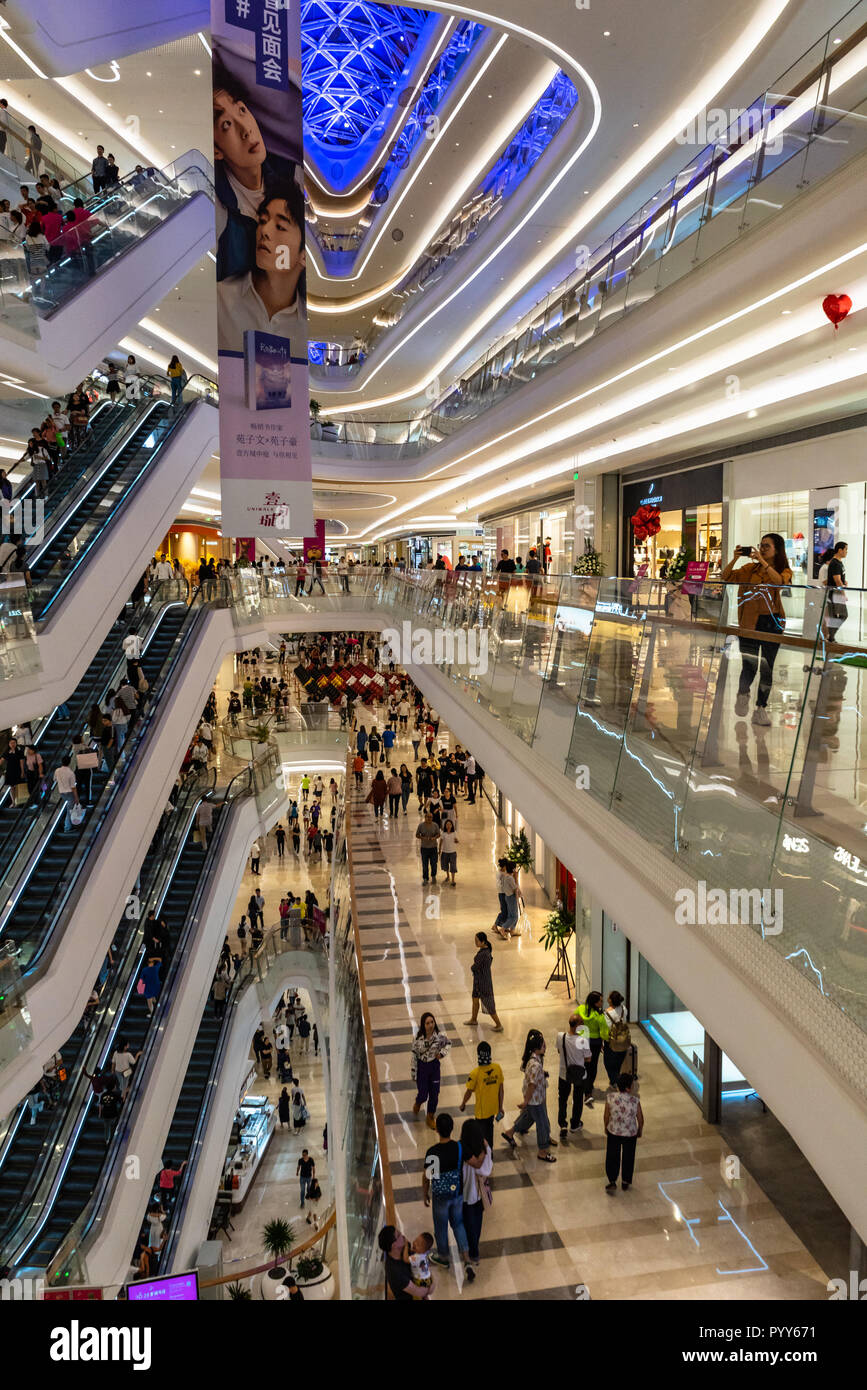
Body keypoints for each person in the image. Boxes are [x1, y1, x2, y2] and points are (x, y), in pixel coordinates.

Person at [218, 185, 307, 352]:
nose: (265, 231)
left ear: (304, 255)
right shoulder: (222, 298)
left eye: (280, 226)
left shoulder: (303, 325)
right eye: (263, 221)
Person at [720, 533, 792, 727]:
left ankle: (761, 708)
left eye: (767, 546)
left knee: (767, 667)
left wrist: (763, 562)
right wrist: (735, 558)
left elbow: (778, 582)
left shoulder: (783, 569)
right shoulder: (749, 568)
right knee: (749, 664)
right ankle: (743, 694)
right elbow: (725, 576)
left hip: (772, 621)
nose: (762, 549)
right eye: (760, 545)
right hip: (749, 621)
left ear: (777, 549)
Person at [423, 1113, 475, 1280]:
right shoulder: (459, 1148)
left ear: (437, 1130)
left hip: (440, 1197)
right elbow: (475, 1162)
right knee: (458, 1224)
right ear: (452, 1128)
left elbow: (427, 1177)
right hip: (457, 1194)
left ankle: (444, 1257)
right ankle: (466, 1259)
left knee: (441, 1227)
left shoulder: (433, 1152)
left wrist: (425, 1193)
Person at [501, 1029, 556, 1161]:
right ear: (537, 1047)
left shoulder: (534, 1058)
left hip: (536, 1097)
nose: (545, 1046)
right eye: (543, 1044)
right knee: (541, 1123)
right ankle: (542, 1151)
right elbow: (532, 1084)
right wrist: (526, 1101)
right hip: (535, 1099)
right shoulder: (535, 1064)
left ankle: (510, 1132)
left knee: (529, 1117)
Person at [460, 1118, 493, 1270]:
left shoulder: (462, 1149)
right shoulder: (484, 1150)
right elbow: (485, 1170)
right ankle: (475, 1251)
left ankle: (471, 1251)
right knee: (477, 1224)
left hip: (465, 1195)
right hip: (479, 1194)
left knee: (468, 1224)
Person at [604, 1072, 644, 1193]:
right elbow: (641, 1119)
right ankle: (626, 1180)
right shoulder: (635, 1100)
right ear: (629, 1087)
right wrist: (640, 1130)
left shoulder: (610, 1098)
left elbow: (606, 1115)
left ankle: (612, 1180)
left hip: (614, 1132)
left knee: (612, 1156)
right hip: (630, 1134)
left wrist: (606, 1127)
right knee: (628, 1156)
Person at [460, 1040, 504, 1150]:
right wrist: (500, 1107)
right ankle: (490, 1154)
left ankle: (483, 1156)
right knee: (489, 1132)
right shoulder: (497, 1068)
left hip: (481, 1112)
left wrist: (463, 1103)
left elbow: (469, 1091)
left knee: (480, 1136)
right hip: (492, 1109)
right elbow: (501, 1089)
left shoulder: (475, 1073)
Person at [411, 1012, 450, 1129]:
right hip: (422, 1068)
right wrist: (413, 1073)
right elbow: (414, 1056)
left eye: (432, 1022)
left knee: (434, 1094)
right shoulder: (417, 1039)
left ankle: (430, 1116)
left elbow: (448, 1043)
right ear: (423, 1025)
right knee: (423, 1094)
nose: (430, 1025)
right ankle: (418, 1102)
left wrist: (442, 1053)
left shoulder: (439, 1036)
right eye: (427, 1023)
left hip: (434, 1067)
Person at [555, 1012, 592, 1137]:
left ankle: (563, 1124)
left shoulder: (560, 1036)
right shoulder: (583, 1040)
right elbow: (588, 1059)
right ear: (578, 1026)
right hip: (579, 1075)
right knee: (577, 1100)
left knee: (563, 1099)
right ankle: (575, 1124)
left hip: (564, 1074)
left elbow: (559, 1051)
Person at [378, 1226, 431, 1301]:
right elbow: (419, 1292)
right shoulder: (394, 1271)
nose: (402, 1235)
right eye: (399, 1235)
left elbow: (421, 1263)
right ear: (394, 1245)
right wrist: (431, 1285)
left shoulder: (405, 1247)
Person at [464, 930, 503, 1030]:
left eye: (477, 941)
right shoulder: (486, 950)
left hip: (483, 983)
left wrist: (472, 967)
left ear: (483, 942)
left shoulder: (484, 954)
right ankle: (473, 1019)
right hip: (479, 981)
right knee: (475, 999)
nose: (475, 942)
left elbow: (476, 966)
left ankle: (499, 1024)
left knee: (489, 1003)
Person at [576, 991, 608, 1107]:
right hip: (594, 1043)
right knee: (592, 1067)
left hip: (581, 1041)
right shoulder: (599, 1017)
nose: (602, 1002)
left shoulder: (580, 1009)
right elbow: (604, 1034)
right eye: (600, 1000)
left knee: (583, 1064)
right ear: (595, 1003)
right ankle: (588, 1092)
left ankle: (582, 1086)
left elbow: (574, 1021)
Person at [603, 990, 631, 1085]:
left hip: (611, 1041)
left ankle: (614, 1081)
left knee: (608, 1063)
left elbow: (607, 1027)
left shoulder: (606, 1013)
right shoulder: (624, 1009)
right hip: (623, 1040)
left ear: (610, 1000)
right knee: (619, 1061)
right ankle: (616, 1077)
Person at [824, 540, 848, 642]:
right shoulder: (835, 563)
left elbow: (839, 579)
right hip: (835, 593)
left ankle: (831, 637)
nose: (847, 552)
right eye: (846, 549)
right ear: (840, 550)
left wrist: (844, 581)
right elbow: (837, 581)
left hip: (835, 593)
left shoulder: (839, 563)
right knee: (843, 615)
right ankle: (831, 637)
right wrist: (843, 594)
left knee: (836, 616)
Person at [53, 755, 80, 829]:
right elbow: (73, 787)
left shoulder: (57, 770)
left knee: (69, 808)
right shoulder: (71, 773)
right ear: (69, 762)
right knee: (69, 810)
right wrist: (76, 798)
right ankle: (67, 827)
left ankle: (68, 825)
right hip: (69, 793)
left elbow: (55, 779)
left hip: (61, 793)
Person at [415, 811, 440, 884]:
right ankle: (425, 878)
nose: (429, 818)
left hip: (433, 848)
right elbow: (417, 835)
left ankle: (433, 876)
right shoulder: (421, 825)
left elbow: (438, 834)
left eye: (431, 817)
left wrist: (434, 837)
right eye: (428, 817)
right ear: (425, 817)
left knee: (434, 864)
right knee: (425, 865)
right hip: (424, 848)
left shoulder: (435, 825)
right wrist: (423, 837)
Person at [439, 817, 459, 886]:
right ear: (445, 826)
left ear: (452, 825)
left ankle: (453, 880)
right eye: (447, 824)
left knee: (453, 866)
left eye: (450, 824)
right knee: (446, 866)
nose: (448, 826)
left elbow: (457, 841)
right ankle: (447, 876)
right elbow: (440, 842)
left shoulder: (454, 833)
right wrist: (439, 851)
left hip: (453, 852)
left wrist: (456, 841)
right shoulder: (443, 833)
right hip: (445, 852)